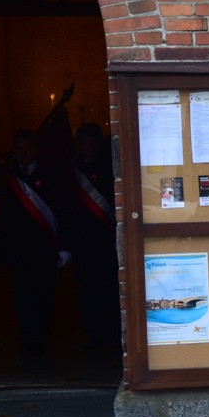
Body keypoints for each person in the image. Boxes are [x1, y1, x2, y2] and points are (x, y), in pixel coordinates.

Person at [0, 130, 68, 356]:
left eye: (27, 148)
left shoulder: (51, 174)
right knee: (23, 298)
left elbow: (63, 211)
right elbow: (0, 216)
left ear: (35, 150)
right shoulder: (6, 177)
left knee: (45, 297)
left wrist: (64, 247)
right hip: (18, 251)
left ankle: (42, 338)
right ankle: (29, 342)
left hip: (45, 249)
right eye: (19, 149)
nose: (23, 153)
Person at [65, 123, 120, 352]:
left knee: (110, 292)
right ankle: (94, 337)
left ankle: (113, 338)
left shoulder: (109, 169)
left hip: (105, 244)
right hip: (82, 246)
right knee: (87, 295)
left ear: (98, 144)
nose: (88, 147)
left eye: (92, 142)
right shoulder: (72, 170)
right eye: (84, 142)